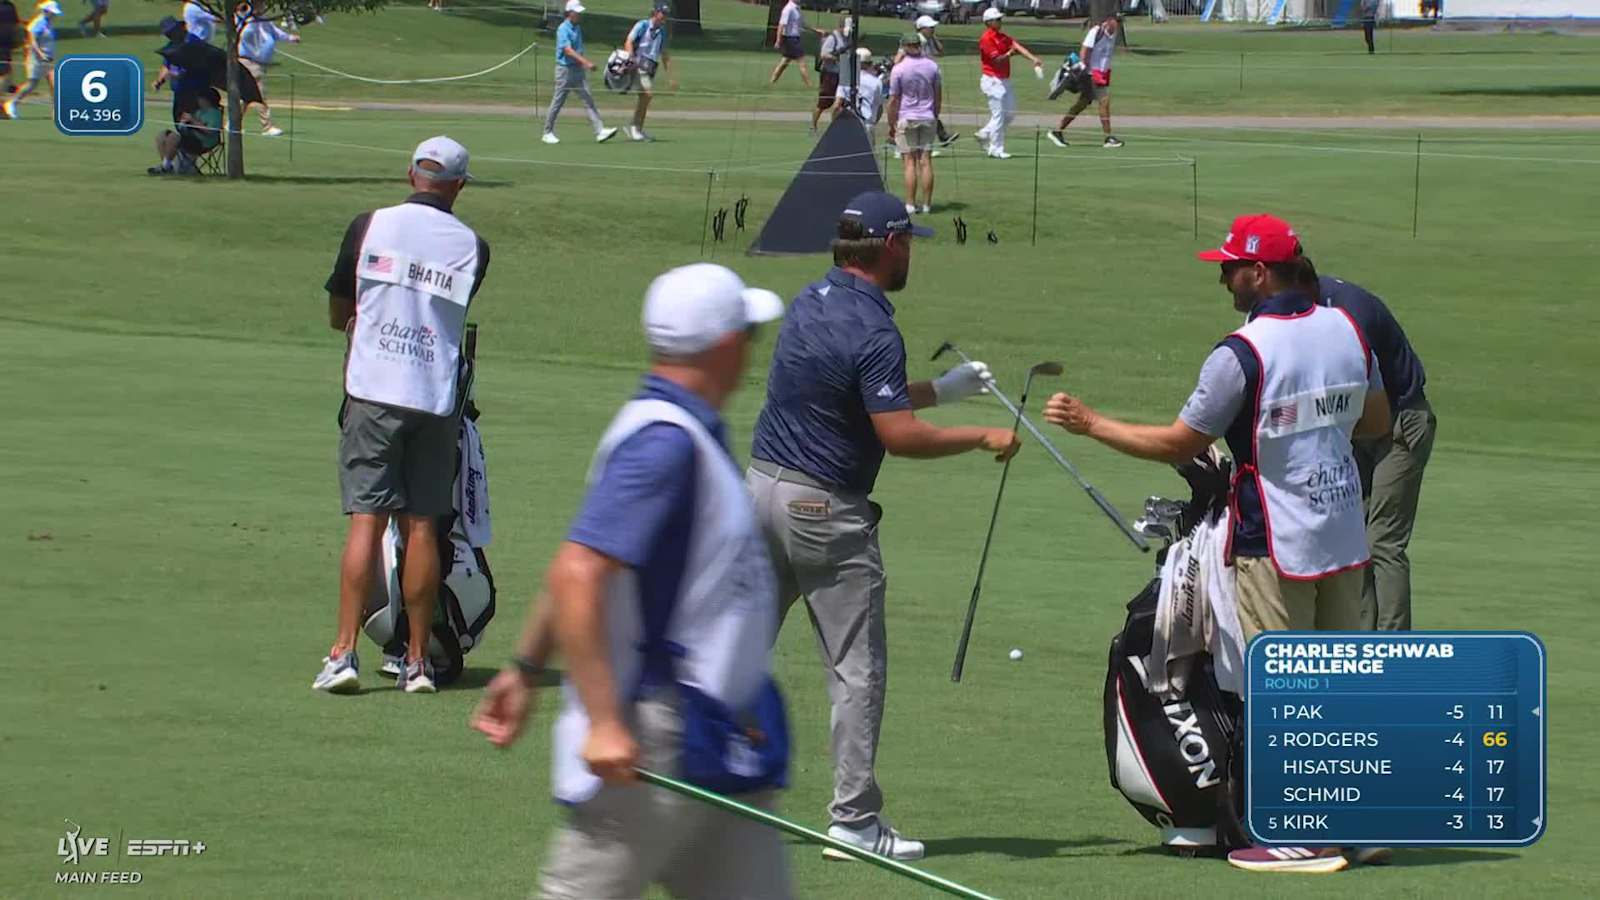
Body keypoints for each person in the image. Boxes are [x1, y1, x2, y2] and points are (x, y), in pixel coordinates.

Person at [1041, 215, 1390, 873]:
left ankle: (1298, 832)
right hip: (1343, 530)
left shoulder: (1241, 352)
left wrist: (1090, 423)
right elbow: (1376, 420)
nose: (1222, 276)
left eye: (1229, 266)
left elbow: (1181, 443)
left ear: (1260, 272)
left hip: (1274, 538)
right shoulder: (1347, 328)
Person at [471, 263, 793, 899]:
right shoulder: (664, 445)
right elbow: (579, 570)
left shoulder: (683, 430)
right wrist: (603, 722)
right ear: (727, 345)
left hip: (717, 738)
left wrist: (526, 666)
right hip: (657, 742)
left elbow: (581, 557)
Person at [747, 191, 1021, 861]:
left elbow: (865, 394)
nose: (912, 255)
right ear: (891, 245)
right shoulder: (874, 327)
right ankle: (854, 822)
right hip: (823, 513)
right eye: (910, 244)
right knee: (854, 670)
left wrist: (942, 389)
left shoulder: (810, 300)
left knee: (737, 649)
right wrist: (979, 432)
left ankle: (701, 786)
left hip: (758, 491)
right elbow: (897, 434)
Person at [315, 136, 492, 695]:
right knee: (422, 526)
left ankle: (343, 654)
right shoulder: (474, 246)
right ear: (459, 186)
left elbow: (339, 310)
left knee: (367, 519)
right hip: (434, 396)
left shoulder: (369, 223)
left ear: (410, 173)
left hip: (372, 388)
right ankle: (417, 662)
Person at [1315, 271, 1434, 632]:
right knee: (1354, 536)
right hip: (1361, 428)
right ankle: (1362, 640)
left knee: (1383, 541)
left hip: (1402, 424)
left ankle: (1394, 646)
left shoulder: (1348, 315)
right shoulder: (1308, 310)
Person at [541, 0, 618, 146]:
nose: (579, 15)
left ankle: (599, 131)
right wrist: (586, 63)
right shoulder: (563, 29)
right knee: (558, 102)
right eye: (577, 12)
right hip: (564, 70)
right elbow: (568, 50)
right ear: (570, 13)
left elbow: (578, 49)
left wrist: (582, 65)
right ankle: (547, 132)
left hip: (577, 70)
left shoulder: (577, 28)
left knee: (588, 99)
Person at [973, 6, 1042, 161]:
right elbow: (997, 60)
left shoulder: (1003, 37)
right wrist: (1009, 54)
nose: (1000, 21)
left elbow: (1018, 47)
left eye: (1000, 19)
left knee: (1010, 114)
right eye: (997, 20)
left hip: (1005, 80)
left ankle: (985, 133)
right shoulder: (986, 39)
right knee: (998, 115)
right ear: (989, 22)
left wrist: (1033, 59)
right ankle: (996, 149)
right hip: (992, 80)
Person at [1047, 15, 1123, 149]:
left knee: (1082, 104)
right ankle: (1108, 138)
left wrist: (1105, 74)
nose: (1118, 24)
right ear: (1108, 20)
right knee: (1104, 101)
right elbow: (1084, 51)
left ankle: (1057, 131)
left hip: (1101, 75)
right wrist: (1087, 71)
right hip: (1090, 74)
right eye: (1116, 21)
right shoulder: (1096, 31)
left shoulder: (1113, 34)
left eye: (1119, 22)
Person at [887, 33, 940, 215]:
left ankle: (910, 203)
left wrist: (891, 122)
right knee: (925, 161)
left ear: (904, 47)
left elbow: (893, 99)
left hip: (907, 116)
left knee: (909, 162)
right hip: (927, 115)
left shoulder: (899, 69)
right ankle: (926, 204)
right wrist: (935, 113)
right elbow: (937, 93)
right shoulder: (932, 66)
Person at [236, 2, 298, 137]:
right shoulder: (245, 20)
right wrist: (249, 16)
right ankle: (267, 126)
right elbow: (245, 33)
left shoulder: (264, 21)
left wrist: (290, 38)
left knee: (246, 96)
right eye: (259, 5)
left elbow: (276, 33)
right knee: (259, 93)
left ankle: (232, 123)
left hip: (258, 63)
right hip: (247, 61)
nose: (263, 8)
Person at [900, 15, 957, 147]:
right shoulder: (918, 40)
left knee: (927, 108)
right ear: (921, 29)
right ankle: (939, 137)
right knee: (925, 108)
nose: (933, 29)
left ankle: (941, 136)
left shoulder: (927, 39)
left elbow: (941, 51)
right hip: (920, 79)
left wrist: (933, 37)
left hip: (926, 77)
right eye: (930, 28)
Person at [622, 2, 674, 142]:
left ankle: (637, 128)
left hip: (650, 68)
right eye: (662, 13)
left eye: (666, 15)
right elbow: (629, 41)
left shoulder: (662, 32)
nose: (664, 17)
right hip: (637, 65)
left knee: (645, 97)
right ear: (656, 13)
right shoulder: (642, 25)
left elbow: (664, 54)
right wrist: (630, 58)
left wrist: (671, 77)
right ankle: (634, 127)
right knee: (647, 95)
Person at [2, 1, 58, 120]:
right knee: (31, 84)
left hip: (48, 59)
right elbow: (31, 41)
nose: (55, 14)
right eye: (52, 12)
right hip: (36, 58)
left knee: (55, 83)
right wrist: (40, 54)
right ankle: (12, 103)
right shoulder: (38, 23)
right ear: (46, 11)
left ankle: (55, 111)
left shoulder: (49, 23)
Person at [148, 87, 221, 175]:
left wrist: (193, 120)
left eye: (200, 99)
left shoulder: (215, 114)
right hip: (191, 136)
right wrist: (184, 123)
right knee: (162, 135)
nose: (198, 101)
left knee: (173, 138)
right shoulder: (199, 112)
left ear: (207, 100)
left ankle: (166, 167)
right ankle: (167, 165)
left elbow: (211, 131)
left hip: (203, 142)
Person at [811, 13, 850, 134]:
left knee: (842, 103)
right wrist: (835, 58)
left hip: (843, 73)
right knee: (824, 102)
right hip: (830, 73)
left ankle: (835, 129)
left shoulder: (848, 38)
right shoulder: (833, 38)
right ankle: (813, 126)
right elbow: (824, 54)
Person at [768, 0, 813, 87]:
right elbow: (781, 25)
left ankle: (772, 81)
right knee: (802, 62)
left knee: (784, 62)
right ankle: (809, 85)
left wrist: (816, 30)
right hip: (791, 39)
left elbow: (803, 24)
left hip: (795, 38)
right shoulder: (788, 9)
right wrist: (778, 40)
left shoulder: (797, 8)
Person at [0, 0, 17, 97]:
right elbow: (15, 26)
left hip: (6, 45)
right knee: (4, 72)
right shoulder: (9, 6)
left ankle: (7, 87)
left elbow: (15, 25)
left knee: (6, 70)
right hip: (4, 45)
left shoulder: (9, 6)